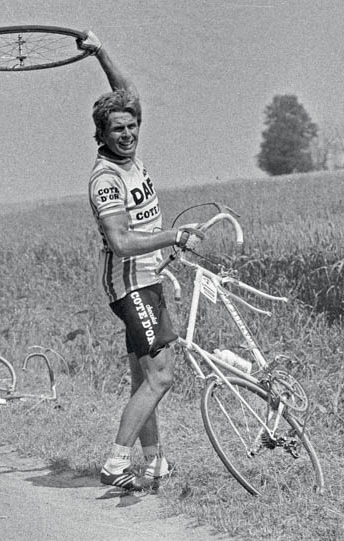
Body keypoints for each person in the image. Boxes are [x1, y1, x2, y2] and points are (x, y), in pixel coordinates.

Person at [78, 31, 204, 490]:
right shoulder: (106, 179)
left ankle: (154, 463)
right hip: (130, 283)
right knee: (162, 377)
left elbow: (127, 96)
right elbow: (122, 242)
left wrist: (99, 52)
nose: (128, 134)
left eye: (132, 126)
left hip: (150, 278)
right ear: (102, 135)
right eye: (118, 129)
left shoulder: (130, 157)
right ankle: (116, 463)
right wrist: (172, 235)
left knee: (144, 379)